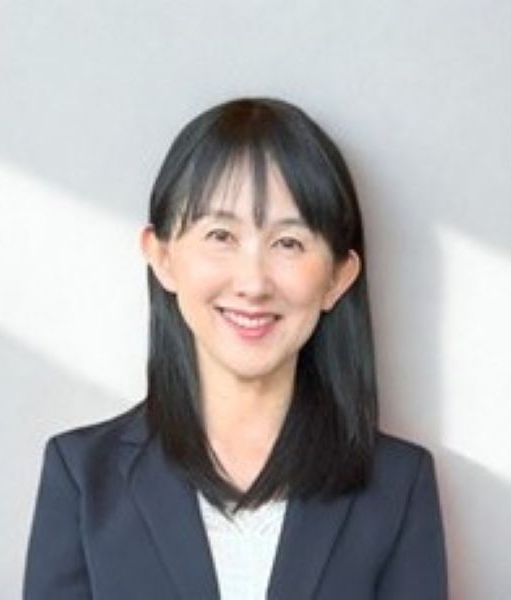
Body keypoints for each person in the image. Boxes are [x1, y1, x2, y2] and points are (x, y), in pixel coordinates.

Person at [23, 97, 448, 599]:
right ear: (162, 257)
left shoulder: (398, 485)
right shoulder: (83, 476)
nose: (252, 283)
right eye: (221, 235)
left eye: (288, 242)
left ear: (338, 277)